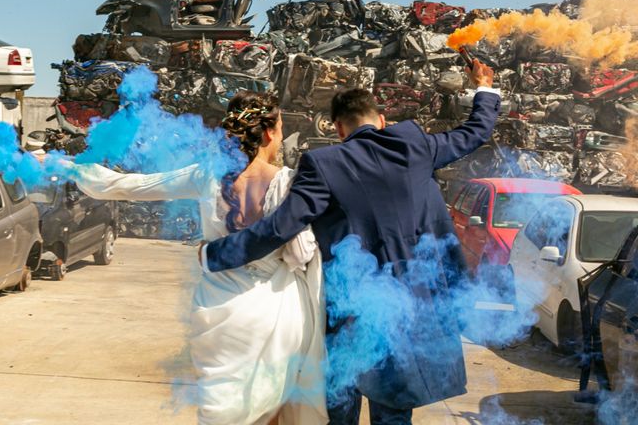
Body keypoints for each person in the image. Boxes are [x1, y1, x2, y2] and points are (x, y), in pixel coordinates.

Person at [202, 59, 500, 425]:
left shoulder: (323, 163)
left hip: (346, 314)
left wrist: (215, 254)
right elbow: (475, 131)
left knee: (340, 409)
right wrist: (483, 85)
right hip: (408, 312)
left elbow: (280, 227)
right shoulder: (416, 146)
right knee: (393, 415)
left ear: (338, 129)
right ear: (381, 121)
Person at [61, 92, 328, 425]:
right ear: (271, 132)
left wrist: (68, 166)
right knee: (273, 403)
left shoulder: (206, 175)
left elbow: (130, 186)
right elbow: (303, 248)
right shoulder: (288, 183)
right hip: (275, 309)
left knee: (224, 408)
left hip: (220, 309)